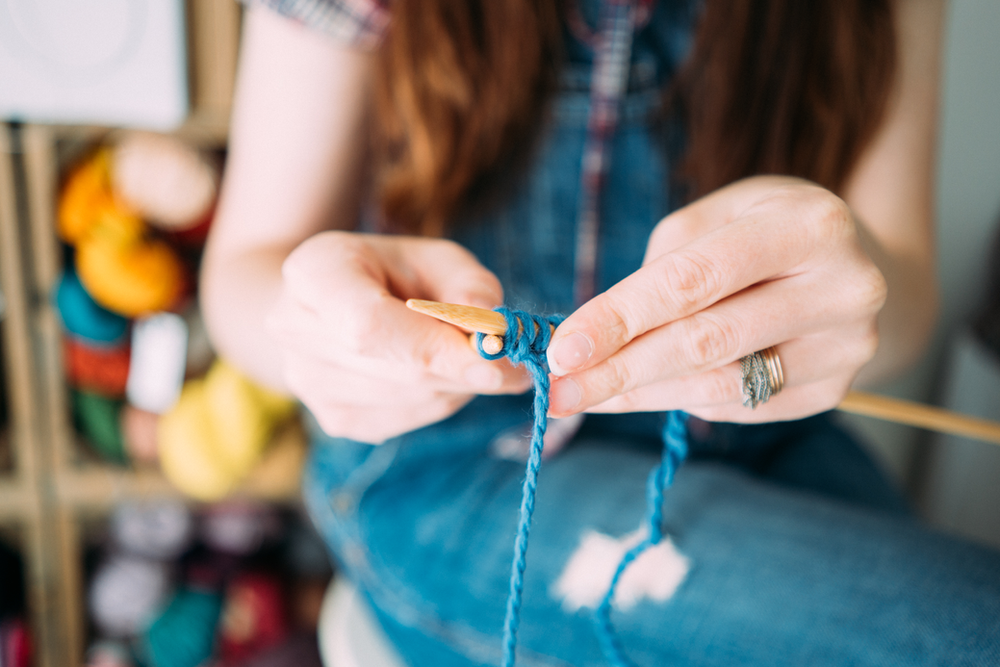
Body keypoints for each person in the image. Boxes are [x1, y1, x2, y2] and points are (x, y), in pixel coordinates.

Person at [201, 0, 1000, 664]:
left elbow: (904, 302)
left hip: (762, 445)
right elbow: (242, 275)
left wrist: (844, 289)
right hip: (459, 470)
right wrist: (323, 329)